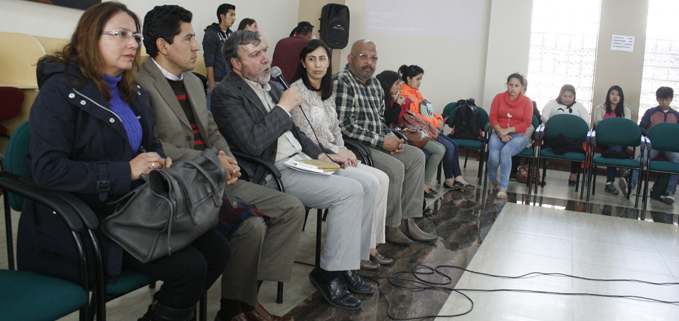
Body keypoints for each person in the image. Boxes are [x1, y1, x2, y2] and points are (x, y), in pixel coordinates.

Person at [17, 3, 230, 321]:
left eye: (135, 35)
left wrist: (161, 160)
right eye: (120, 34)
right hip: (83, 223)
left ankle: (160, 312)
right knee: (189, 267)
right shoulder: (59, 93)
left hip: (133, 210)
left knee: (218, 249)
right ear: (90, 38)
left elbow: (151, 146)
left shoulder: (135, 93)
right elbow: (48, 170)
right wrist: (126, 170)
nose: (133, 43)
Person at [135, 6, 304, 321]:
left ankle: (241, 302)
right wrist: (213, 160)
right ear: (162, 45)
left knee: (290, 208)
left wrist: (227, 158)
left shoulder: (195, 83)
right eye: (188, 39)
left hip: (216, 174)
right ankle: (235, 308)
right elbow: (156, 144)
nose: (197, 47)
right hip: (180, 182)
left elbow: (212, 129)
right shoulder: (139, 84)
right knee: (251, 226)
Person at [211, 30, 374, 311]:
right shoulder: (226, 93)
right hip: (273, 169)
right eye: (255, 55)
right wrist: (284, 107)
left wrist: (324, 155)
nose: (265, 59)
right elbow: (252, 144)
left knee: (367, 184)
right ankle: (329, 273)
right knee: (349, 192)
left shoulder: (273, 86)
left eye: (265, 51)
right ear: (236, 64)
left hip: (300, 160)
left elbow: (298, 133)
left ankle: (347, 266)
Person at [289, 39, 392, 269]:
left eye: (322, 59)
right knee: (366, 183)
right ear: (303, 63)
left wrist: (343, 149)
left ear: (328, 63)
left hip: (334, 152)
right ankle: (352, 254)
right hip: (312, 158)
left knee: (381, 179)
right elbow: (306, 136)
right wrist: (336, 152)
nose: (318, 65)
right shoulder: (296, 91)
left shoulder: (326, 90)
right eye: (312, 59)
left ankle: (368, 248)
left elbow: (335, 127)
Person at [334, 39, 436, 246]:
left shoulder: (374, 86)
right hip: (354, 146)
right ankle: (391, 225)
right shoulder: (342, 81)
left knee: (416, 157)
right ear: (350, 58)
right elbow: (345, 126)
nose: (369, 62)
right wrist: (382, 141)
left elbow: (379, 120)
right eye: (363, 56)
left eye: (373, 58)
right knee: (396, 167)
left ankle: (408, 220)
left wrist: (394, 138)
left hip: (377, 141)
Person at [398, 64, 473, 197]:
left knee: (453, 145)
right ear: (409, 78)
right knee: (448, 146)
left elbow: (427, 110)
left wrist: (439, 118)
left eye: (421, 79)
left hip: (426, 127)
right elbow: (413, 116)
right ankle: (444, 181)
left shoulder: (416, 92)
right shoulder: (405, 94)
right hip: (418, 130)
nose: (420, 82)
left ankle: (452, 178)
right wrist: (435, 122)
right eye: (418, 79)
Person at [620, 86, 679, 204]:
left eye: (666, 100)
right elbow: (641, 127)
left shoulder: (676, 115)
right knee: (641, 159)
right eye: (661, 100)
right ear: (657, 99)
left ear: (671, 99)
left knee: (678, 160)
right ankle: (630, 186)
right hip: (653, 145)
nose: (664, 102)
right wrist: (650, 134)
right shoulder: (651, 112)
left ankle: (669, 192)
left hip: (670, 147)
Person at [487, 73, 533, 199]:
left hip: (518, 135)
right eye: (510, 85)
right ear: (506, 85)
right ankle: (492, 179)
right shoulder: (498, 97)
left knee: (506, 151)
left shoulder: (527, 101)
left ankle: (503, 188)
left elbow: (527, 122)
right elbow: (492, 117)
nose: (513, 88)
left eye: (516, 86)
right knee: (494, 157)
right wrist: (500, 131)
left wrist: (507, 130)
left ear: (522, 87)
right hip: (498, 132)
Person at [540, 84, 590, 185]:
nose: (567, 99)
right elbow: (544, 115)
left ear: (574, 97)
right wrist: (553, 125)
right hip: (555, 137)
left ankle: (574, 173)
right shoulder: (552, 103)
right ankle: (542, 171)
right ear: (560, 95)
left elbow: (585, 122)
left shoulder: (579, 106)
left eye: (570, 96)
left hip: (572, 139)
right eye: (565, 96)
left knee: (578, 147)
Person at [593, 85, 632, 195]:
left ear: (621, 97)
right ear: (608, 95)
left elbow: (626, 128)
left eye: (618, 94)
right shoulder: (600, 108)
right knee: (613, 146)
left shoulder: (626, 110)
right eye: (612, 94)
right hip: (603, 140)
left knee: (613, 150)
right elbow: (599, 126)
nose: (615, 97)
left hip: (621, 141)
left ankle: (609, 184)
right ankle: (623, 169)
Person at [203, 3, 235, 109]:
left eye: (234, 15)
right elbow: (209, 60)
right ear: (222, 16)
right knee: (212, 113)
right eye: (231, 15)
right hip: (216, 80)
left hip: (229, 80)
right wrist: (212, 84)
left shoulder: (231, 35)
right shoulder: (211, 34)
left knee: (226, 112)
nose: (234, 18)